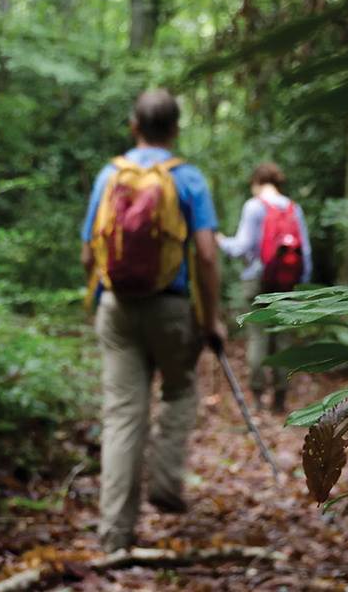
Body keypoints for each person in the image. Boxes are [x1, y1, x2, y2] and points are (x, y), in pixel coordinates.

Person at [79, 89, 225, 554]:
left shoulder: (109, 175)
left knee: (123, 415)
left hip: (116, 307)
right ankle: (165, 481)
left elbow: (88, 254)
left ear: (133, 126)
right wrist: (210, 319)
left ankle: (115, 537)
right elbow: (205, 254)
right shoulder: (188, 179)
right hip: (172, 307)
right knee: (179, 391)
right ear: (176, 130)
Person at [216, 162, 312, 414]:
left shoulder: (254, 206)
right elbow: (306, 252)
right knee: (282, 337)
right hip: (287, 282)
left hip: (257, 280)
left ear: (257, 183)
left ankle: (258, 397)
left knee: (258, 336)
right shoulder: (294, 208)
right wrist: (300, 284)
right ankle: (280, 398)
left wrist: (220, 241)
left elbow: (240, 247)